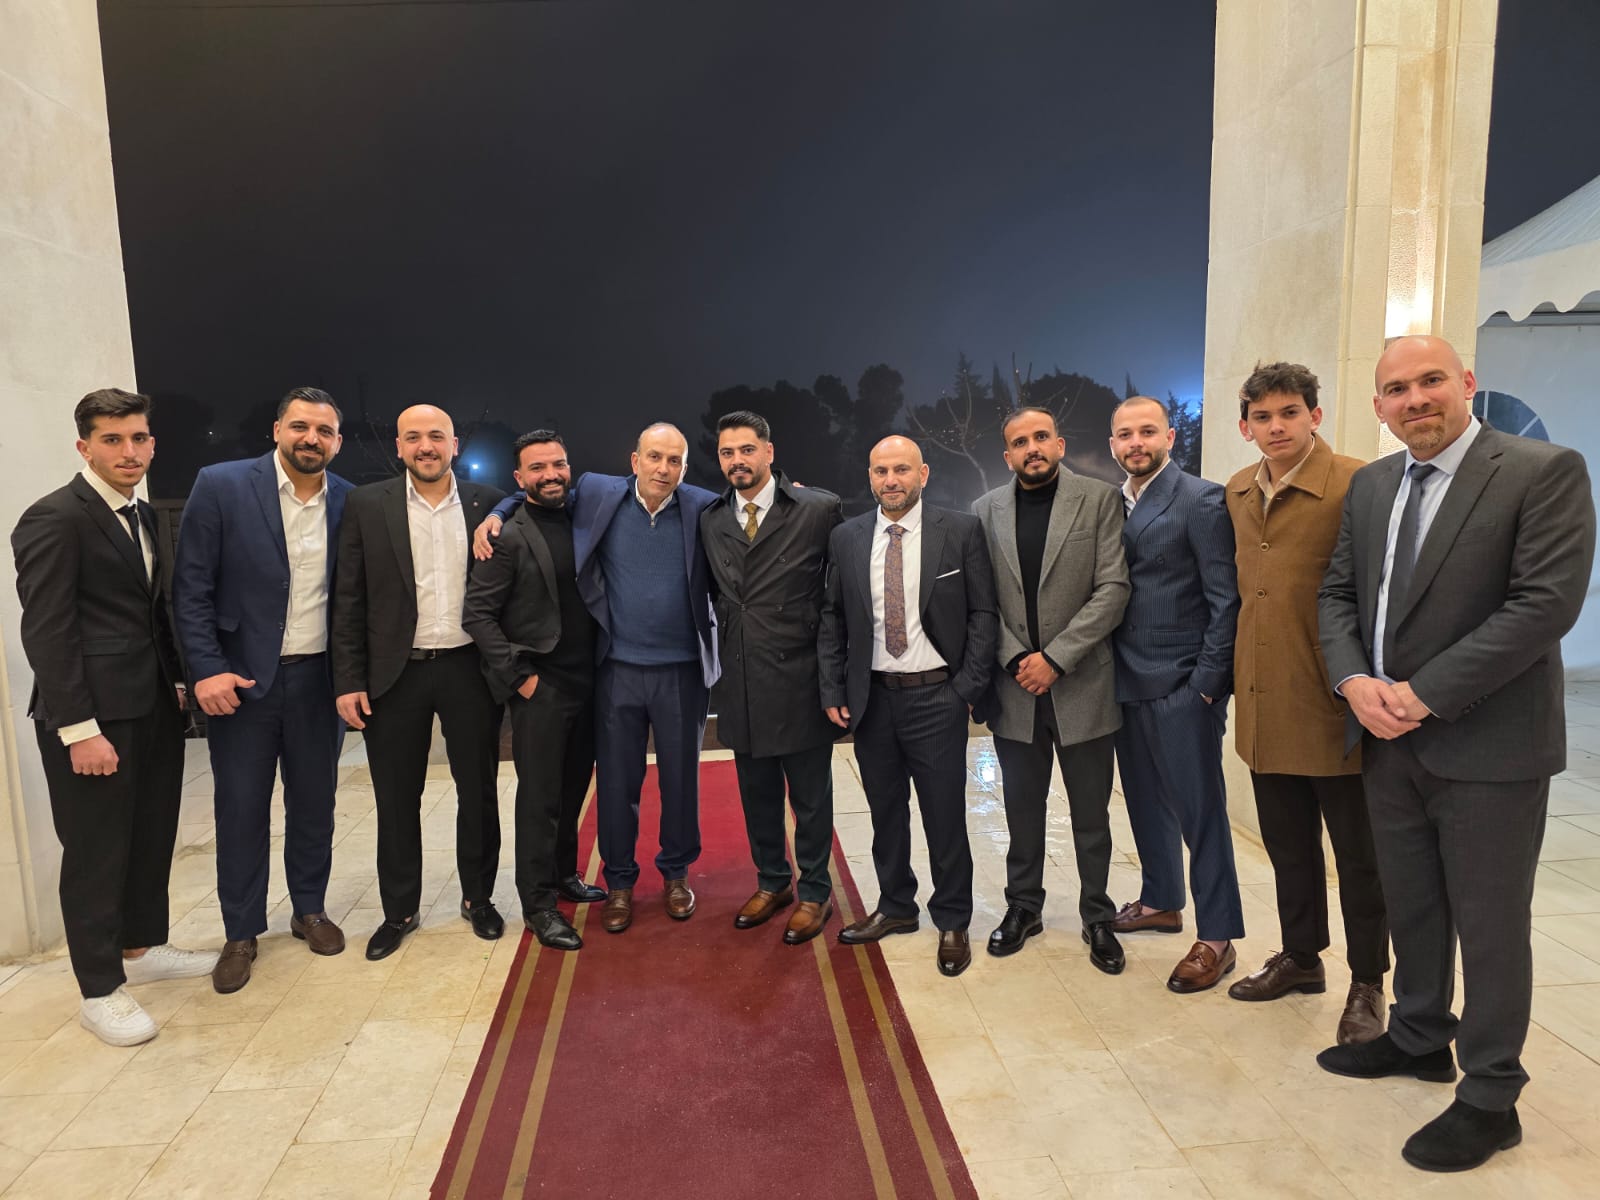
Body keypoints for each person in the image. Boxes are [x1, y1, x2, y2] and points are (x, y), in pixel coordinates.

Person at [1316, 334, 1595, 1173]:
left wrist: (1423, 693)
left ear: (1467, 382)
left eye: (1430, 380)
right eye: (1396, 389)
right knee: (1414, 904)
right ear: (1378, 407)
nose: (1415, 400)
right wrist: (1353, 682)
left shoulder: (1542, 471)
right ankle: (1418, 1036)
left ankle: (1491, 1095)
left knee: (1491, 922)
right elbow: (1338, 595)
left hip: (1490, 746)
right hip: (1386, 742)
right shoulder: (1372, 485)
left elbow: (1543, 606)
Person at [12, 388, 216, 1046]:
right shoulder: (54, 517)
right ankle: (99, 990)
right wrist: (79, 730)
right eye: (112, 439)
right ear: (85, 447)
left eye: (139, 438)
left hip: (151, 706)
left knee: (150, 836)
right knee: (96, 853)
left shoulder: (141, 514)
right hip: (93, 719)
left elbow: (150, 612)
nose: (129, 451)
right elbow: (48, 633)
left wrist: (176, 682)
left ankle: (141, 946)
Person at [476, 423, 717, 932]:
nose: (663, 469)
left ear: (685, 468)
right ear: (634, 460)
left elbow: (752, 512)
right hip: (616, 670)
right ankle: (620, 882)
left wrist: (792, 495)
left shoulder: (703, 506)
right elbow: (534, 493)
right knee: (615, 784)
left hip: (682, 672)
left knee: (681, 783)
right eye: (654, 457)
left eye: (674, 460)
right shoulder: (597, 493)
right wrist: (495, 514)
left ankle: (676, 875)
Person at [1224, 363, 1388, 1044]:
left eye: (1289, 413)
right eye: (1262, 417)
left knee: (1358, 858)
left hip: (1334, 702)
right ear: (1245, 427)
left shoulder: (1357, 483)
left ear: (1314, 416)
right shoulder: (1237, 490)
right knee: (1287, 847)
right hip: (1263, 700)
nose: (1276, 427)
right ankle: (1301, 957)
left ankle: (1369, 981)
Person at [173, 387, 352, 993]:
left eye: (324, 431)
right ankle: (241, 931)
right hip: (242, 683)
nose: (311, 438)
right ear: (277, 430)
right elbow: (191, 588)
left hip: (319, 681)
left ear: (337, 442)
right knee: (242, 808)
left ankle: (309, 909)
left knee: (315, 803)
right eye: (300, 426)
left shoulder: (349, 500)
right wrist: (206, 668)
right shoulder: (221, 485)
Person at [331, 404, 507, 960]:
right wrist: (348, 679)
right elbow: (349, 598)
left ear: (455, 444)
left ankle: (478, 898)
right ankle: (399, 910)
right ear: (400, 446)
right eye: (413, 437)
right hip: (394, 673)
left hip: (468, 669)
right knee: (396, 797)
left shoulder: (488, 501)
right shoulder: (366, 504)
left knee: (478, 790)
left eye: (436, 436)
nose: (425, 446)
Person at [817, 436, 997, 977]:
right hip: (872, 700)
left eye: (901, 469)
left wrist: (966, 688)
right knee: (885, 813)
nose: (890, 480)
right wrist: (834, 690)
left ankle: (953, 919)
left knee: (944, 816)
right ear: (870, 476)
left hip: (937, 697)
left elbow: (983, 613)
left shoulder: (959, 530)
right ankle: (896, 906)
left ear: (923, 473)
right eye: (880, 471)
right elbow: (832, 617)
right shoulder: (847, 537)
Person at [972, 407, 1129, 973]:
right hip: (1016, 687)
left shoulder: (1100, 499)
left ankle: (1097, 915)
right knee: (1021, 811)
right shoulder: (984, 511)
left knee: (1091, 815)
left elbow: (1113, 588)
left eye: (1041, 437)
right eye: (1020, 442)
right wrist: (1018, 658)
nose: (1032, 448)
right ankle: (1024, 907)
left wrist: (1056, 659)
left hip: (1083, 683)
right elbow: (980, 600)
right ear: (1007, 455)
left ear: (1059, 444)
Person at [1107, 396, 1245, 993]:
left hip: (1182, 684)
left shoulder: (1201, 499)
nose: (1135, 442)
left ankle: (1218, 937)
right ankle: (1161, 900)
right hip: (1124, 681)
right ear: (1113, 444)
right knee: (1144, 802)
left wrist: (1207, 686)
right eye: (1125, 434)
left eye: (1147, 431)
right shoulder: (1113, 503)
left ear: (1169, 436)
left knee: (1200, 813)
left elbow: (1226, 600)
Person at [701, 410, 844, 944]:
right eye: (727, 452)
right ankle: (772, 882)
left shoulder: (819, 508)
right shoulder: (711, 518)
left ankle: (815, 892)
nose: (737, 461)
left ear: (769, 452)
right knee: (756, 797)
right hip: (740, 679)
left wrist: (835, 680)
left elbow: (838, 601)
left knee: (811, 800)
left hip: (800, 678)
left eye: (747, 450)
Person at [464, 431, 603, 950]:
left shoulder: (584, 515)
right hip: (541, 687)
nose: (550, 475)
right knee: (540, 800)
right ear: (519, 477)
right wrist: (520, 679)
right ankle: (538, 905)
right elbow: (477, 615)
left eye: (558, 464)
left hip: (590, 683)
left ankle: (564, 875)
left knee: (572, 792)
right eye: (537, 468)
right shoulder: (505, 535)